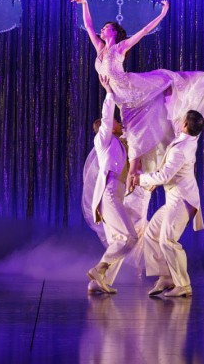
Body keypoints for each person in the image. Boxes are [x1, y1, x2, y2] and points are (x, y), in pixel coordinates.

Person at [69, 0, 204, 228]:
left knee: (168, 78)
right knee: (134, 138)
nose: (102, 29)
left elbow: (144, 31)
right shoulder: (100, 49)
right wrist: (85, 4)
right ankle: (133, 187)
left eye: (106, 27)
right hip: (123, 102)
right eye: (102, 28)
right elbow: (88, 25)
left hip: (133, 88)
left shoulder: (120, 48)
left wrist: (162, 14)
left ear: (115, 32)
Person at [127, 110, 204, 298]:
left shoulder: (181, 148)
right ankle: (165, 276)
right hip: (174, 199)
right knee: (151, 234)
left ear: (185, 125)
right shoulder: (189, 140)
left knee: (168, 240)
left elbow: (164, 176)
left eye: (183, 120)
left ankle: (183, 284)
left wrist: (140, 179)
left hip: (181, 200)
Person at [84, 80, 139, 295]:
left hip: (115, 192)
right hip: (109, 192)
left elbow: (134, 136)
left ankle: (96, 283)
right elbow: (107, 119)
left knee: (118, 240)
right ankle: (99, 269)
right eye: (116, 121)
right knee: (129, 238)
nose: (118, 123)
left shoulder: (118, 142)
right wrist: (109, 93)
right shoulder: (103, 139)